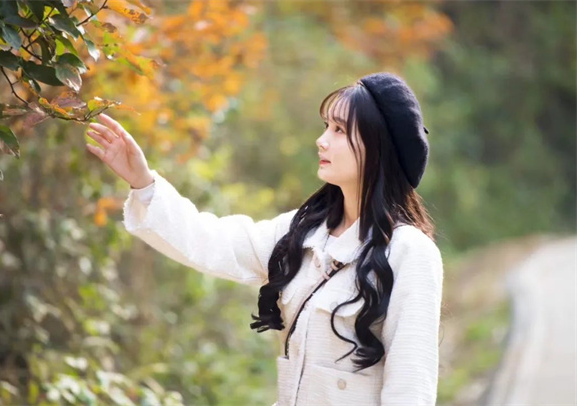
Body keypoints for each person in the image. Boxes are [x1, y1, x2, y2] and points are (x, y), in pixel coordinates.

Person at [85, 72, 444, 406]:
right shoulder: (302, 232)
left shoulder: (409, 253)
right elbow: (211, 241)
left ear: (377, 146)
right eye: (326, 126)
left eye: (339, 130)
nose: (321, 140)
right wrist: (143, 183)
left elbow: (411, 388)